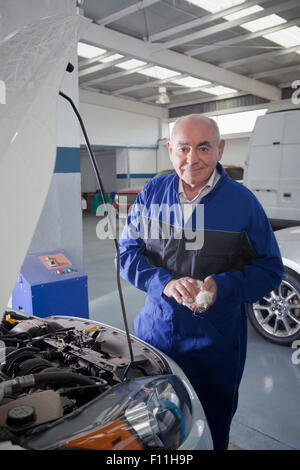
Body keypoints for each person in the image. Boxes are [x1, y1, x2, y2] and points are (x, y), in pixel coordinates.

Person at [118, 114, 283, 449]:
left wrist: (224, 287)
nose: (192, 159)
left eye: (203, 148)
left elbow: (270, 269)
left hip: (216, 343)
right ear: (170, 150)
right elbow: (127, 253)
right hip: (157, 337)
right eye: (183, 148)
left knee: (211, 425)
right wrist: (162, 282)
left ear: (219, 149)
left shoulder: (243, 203)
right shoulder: (152, 193)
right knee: (154, 425)